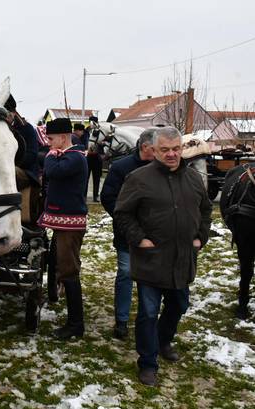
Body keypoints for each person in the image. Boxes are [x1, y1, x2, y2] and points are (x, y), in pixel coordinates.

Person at [114, 126, 212, 386]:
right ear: (153, 150)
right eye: (165, 150)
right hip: (151, 259)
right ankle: (147, 362)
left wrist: (201, 236)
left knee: (179, 305)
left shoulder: (193, 179)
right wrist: (139, 239)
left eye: (176, 149)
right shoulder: (138, 178)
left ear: (182, 148)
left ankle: (163, 340)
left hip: (182, 258)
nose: (171, 154)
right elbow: (123, 213)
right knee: (148, 311)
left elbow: (205, 210)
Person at [100, 128, 156, 340]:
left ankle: (146, 319)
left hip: (155, 234)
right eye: (156, 148)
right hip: (126, 234)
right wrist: (125, 220)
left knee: (149, 279)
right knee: (126, 273)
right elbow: (108, 196)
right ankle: (121, 320)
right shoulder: (122, 167)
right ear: (144, 147)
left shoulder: (160, 168)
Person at [37, 118, 88, 340]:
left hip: (70, 225)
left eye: (51, 139)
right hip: (63, 223)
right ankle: (71, 318)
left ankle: (76, 324)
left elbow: (53, 171)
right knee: (60, 264)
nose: (48, 144)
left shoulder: (75, 158)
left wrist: (50, 156)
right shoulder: (67, 155)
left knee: (69, 271)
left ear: (64, 137)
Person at [86, 116, 102, 202]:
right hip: (87, 157)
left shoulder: (100, 132)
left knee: (97, 178)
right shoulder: (86, 131)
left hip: (96, 157)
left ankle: (95, 196)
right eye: (91, 121)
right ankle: (84, 195)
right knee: (86, 177)